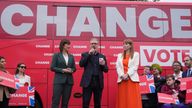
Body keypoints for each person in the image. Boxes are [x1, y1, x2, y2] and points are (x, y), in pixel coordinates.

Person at [79, 38, 108, 108]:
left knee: (97, 103)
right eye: (92, 43)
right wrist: (89, 54)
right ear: (90, 45)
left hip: (98, 82)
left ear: (98, 45)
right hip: (88, 82)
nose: (93, 45)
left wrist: (103, 64)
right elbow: (81, 64)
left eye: (95, 43)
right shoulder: (85, 54)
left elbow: (106, 70)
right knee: (85, 102)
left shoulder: (102, 56)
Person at [116, 39, 142, 108]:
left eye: (127, 44)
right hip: (122, 80)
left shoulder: (136, 54)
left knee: (132, 99)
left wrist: (127, 74)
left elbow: (135, 67)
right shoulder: (119, 55)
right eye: (124, 44)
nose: (125, 45)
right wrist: (122, 75)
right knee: (123, 99)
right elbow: (118, 67)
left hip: (131, 80)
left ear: (130, 46)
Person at [50, 39, 76, 108]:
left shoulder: (71, 56)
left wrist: (71, 70)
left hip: (69, 81)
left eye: (69, 44)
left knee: (65, 102)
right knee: (56, 101)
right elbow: (52, 67)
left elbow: (74, 68)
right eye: (67, 44)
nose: (69, 46)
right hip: (58, 81)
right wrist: (62, 70)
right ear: (63, 45)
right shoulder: (56, 55)